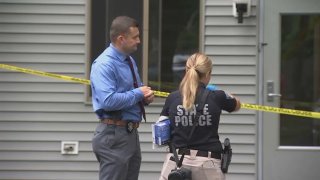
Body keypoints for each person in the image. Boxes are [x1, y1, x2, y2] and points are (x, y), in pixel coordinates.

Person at [90, 16, 154, 180]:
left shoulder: (129, 60)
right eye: (135, 37)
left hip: (129, 133)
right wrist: (139, 93)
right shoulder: (104, 64)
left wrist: (144, 97)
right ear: (121, 39)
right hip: (114, 134)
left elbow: (134, 91)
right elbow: (108, 101)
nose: (139, 41)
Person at [158, 53, 241, 180]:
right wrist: (222, 93)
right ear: (208, 74)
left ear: (186, 71)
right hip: (207, 164)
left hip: (176, 163)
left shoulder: (172, 98)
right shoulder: (217, 96)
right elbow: (237, 105)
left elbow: (161, 129)